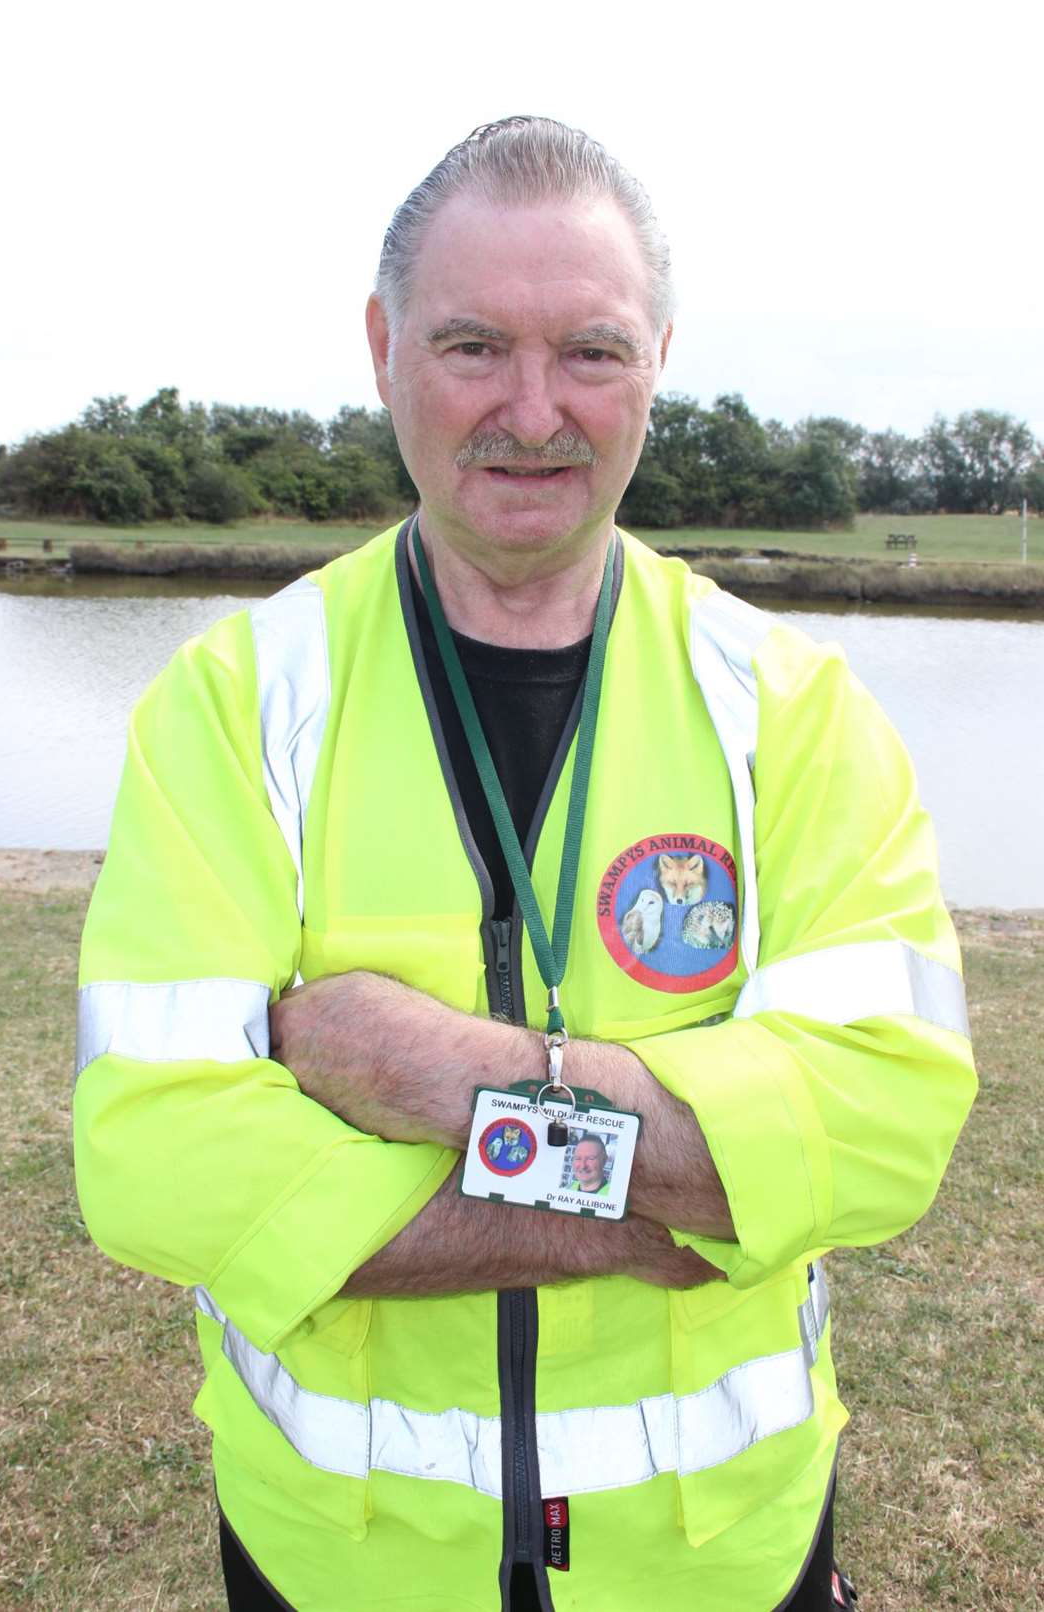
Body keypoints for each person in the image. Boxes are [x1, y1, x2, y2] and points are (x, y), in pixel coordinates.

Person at [73, 118, 976, 1612]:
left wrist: (436, 1071)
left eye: (593, 354)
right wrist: (642, 1196)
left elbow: (882, 1122)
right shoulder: (234, 706)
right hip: (342, 1562)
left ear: (660, 362)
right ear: (383, 348)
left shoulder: (797, 711)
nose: (533, 411)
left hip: (720, 1563)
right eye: (476, 345)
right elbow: (158, 1159)